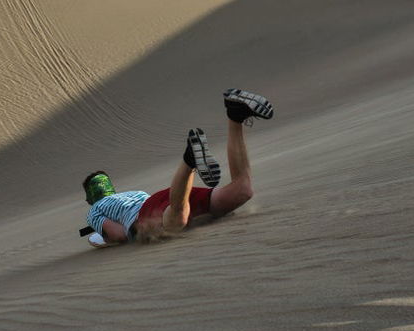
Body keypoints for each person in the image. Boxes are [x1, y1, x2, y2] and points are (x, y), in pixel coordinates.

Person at [82, 88, 273, 246]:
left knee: (177, 220)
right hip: (166, 195)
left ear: (90, 197)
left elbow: (119, 235)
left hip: (151, 212)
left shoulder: (95, 210)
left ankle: (189, 162)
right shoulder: (130, 194)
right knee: (242, 189)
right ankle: (235, 116)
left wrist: (104, 237)